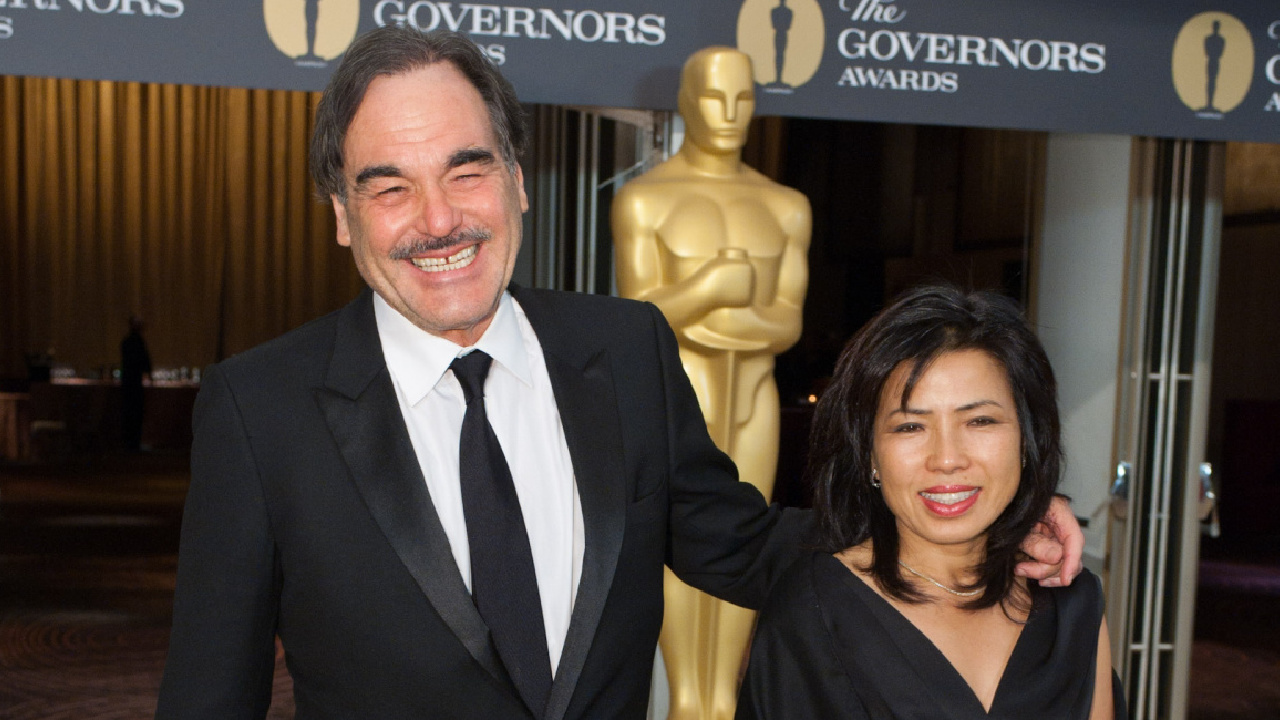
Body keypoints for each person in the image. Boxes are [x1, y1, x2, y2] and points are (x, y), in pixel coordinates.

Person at [156, 28, 1082, 720]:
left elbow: (745, 545)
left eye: (466, 170)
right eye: (389, 186)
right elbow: (210, 691)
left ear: (518, 178)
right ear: (341, 216)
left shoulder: (627, 349)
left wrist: (971, 522)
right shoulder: (260, 409)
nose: (437, 219)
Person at [737, 285, 1122, 720]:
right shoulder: (810, 615)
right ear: (869, 456)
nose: (947, 459)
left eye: (979, 420)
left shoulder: (1072, 604)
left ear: (1027, 441)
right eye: (909, 428)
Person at [612, 46, 810, 720]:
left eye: (743, 99)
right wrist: (712, 289)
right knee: (673, 547)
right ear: (688, 102)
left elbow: (786, 323)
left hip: (753, 397)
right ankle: (687, 703)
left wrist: (716, 318)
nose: (728, 114)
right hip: (679, 396)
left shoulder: (784, 206)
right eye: (714, 98)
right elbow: (640, 316)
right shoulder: (646, 200)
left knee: (745, 547)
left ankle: (717, 702)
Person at [119, 314, 152, 450]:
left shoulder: (127, 342)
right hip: (134, 384)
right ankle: (133, 443)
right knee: (135, 413)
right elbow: (145, 362)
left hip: (128, 383)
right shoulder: (138, 342)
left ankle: (129, 442)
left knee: (129, 413)